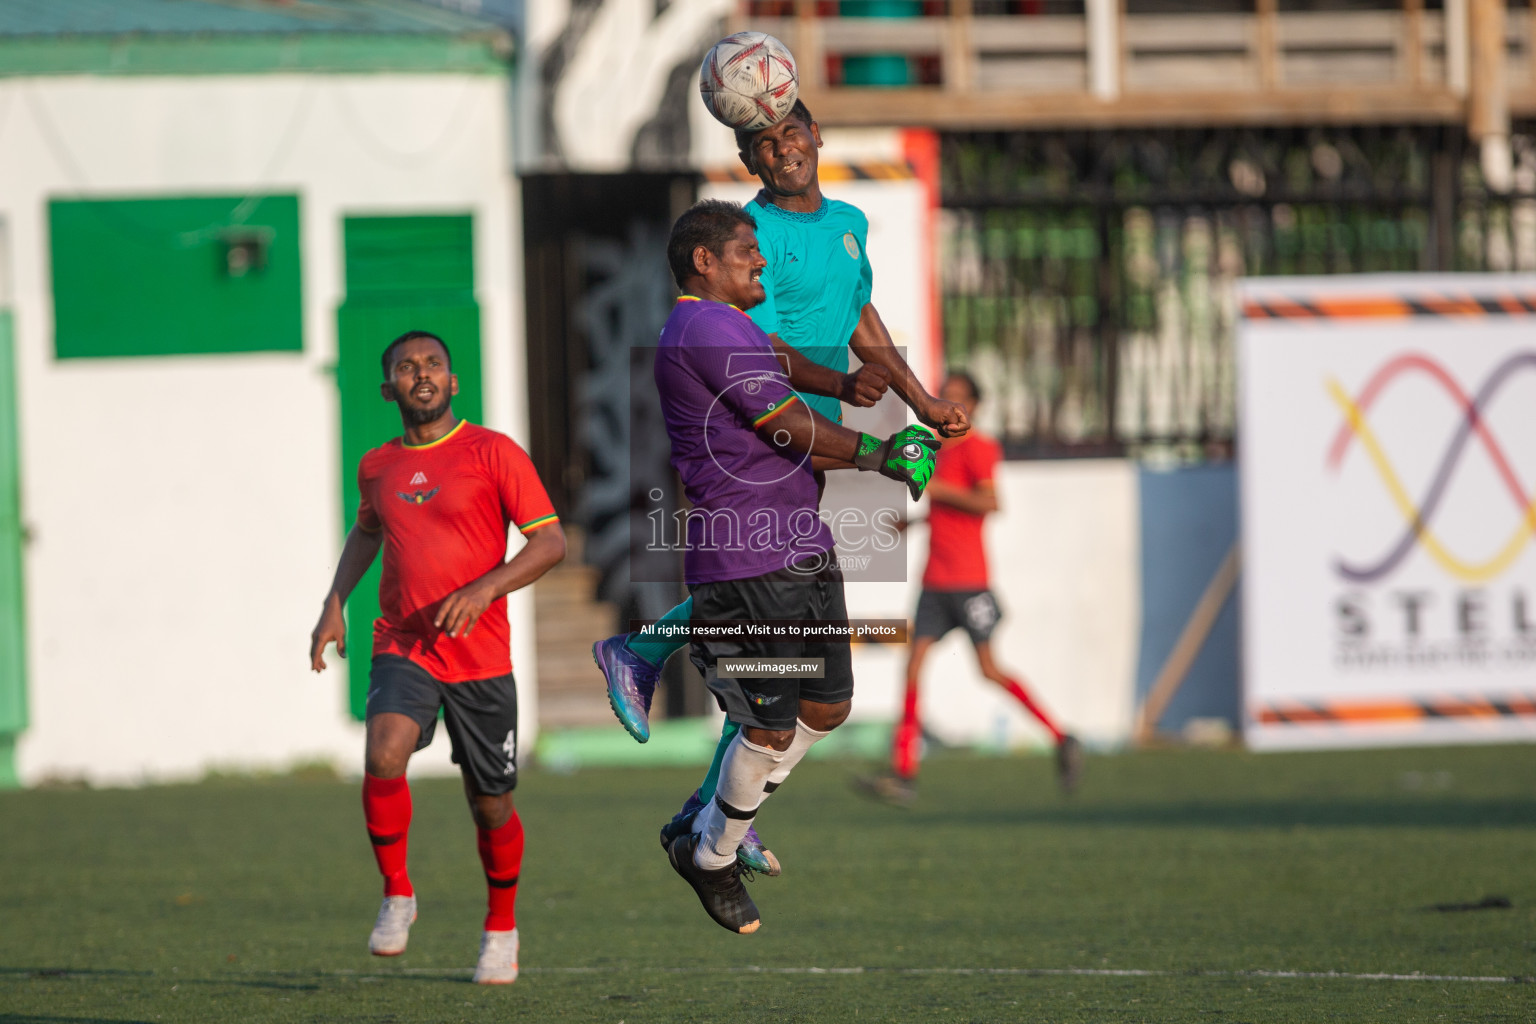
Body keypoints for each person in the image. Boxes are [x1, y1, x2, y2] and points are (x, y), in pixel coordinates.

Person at [593, 99, 967, 875]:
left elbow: (860, 310)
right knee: (764, 601)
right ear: (750, 161)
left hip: (814, 423)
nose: (784, 149)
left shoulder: (849, 221)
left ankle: (714, 783)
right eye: (763, 142)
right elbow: (750, 338)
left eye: (792, 132)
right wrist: (870, 444)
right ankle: (681, 727)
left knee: (778, 604)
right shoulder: (747, 233)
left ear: (817, 135)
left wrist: (918, 398)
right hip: (767, 425)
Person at [652, 199, 938, 933]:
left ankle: (710, 828)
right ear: (703, 262)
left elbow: (787, 366)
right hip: (745, 564)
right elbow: (783, 424)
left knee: (827, 706)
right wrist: (878, 452)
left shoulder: (734, 328)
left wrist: (845, 385)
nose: (762, 258)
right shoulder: (701, 326)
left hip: (800, 549)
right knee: (770, 727)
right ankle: (710, 855)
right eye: (746, 248)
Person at [308, 330, 565, 984]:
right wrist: (336, 600)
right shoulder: (377, 466)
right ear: (387, 387)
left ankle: (501, 927)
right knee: (382, 753)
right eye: (405, 367)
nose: (420, 374)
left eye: (432, 365)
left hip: (481, 660)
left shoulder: (494, 452)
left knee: (491, 806)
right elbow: (367, 532)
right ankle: (397, 892)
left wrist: (484, 588)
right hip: (406, 643)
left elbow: (549, 543)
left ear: (454, 383)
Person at [859, 371, 1082, 805]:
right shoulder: (935, 451)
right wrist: (916, 521)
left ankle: (1061, 737)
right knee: (913, 665)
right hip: (935, 580)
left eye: (960, 398)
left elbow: (990, 502)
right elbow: (948, 507)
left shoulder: (980, 449)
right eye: (947, 396)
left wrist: (939, 489)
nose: (951, 405)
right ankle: (904, 773)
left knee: (988, 670)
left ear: (975, 406)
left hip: (969, 581)